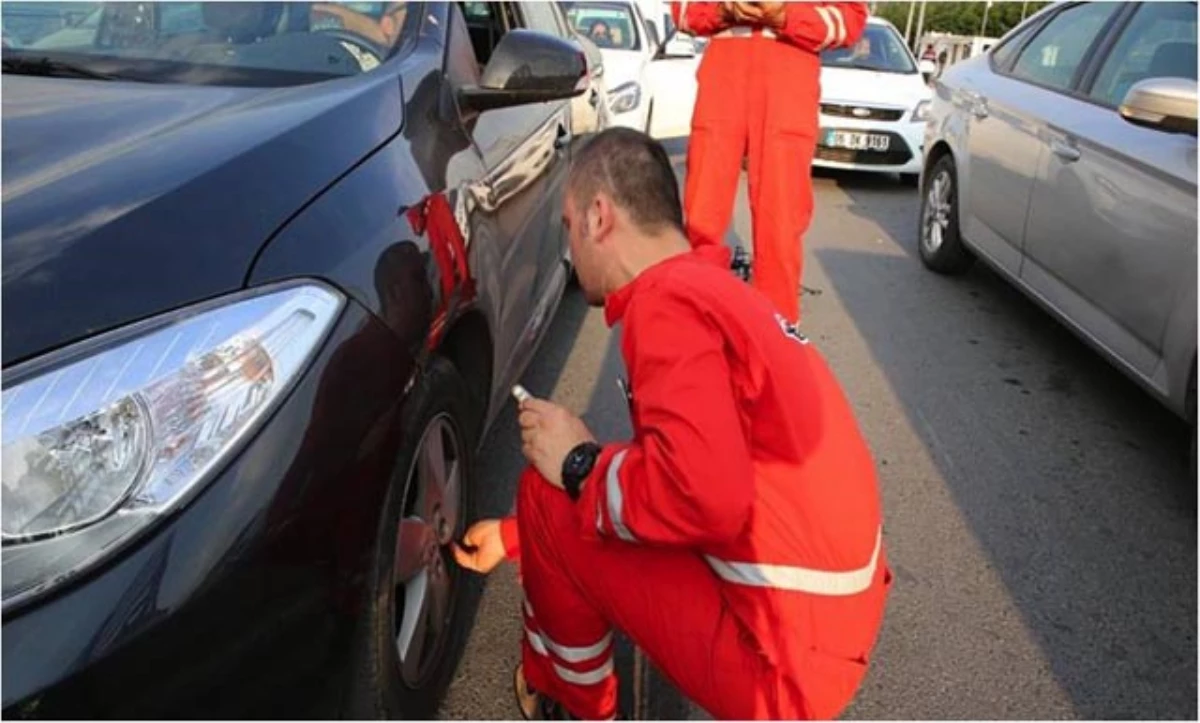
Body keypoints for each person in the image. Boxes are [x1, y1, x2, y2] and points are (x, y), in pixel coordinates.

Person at [454, 129, 890, 721]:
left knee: (546, 492)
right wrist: (514, 537)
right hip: (825, 622)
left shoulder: (665, 307)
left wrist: (578, 465)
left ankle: (572, 701)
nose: (568, 247)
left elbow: (703, 494)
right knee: (575, 489)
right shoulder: (714, 289)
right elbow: (683, 463)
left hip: (778, 658)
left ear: (599, 217)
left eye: (567, 223)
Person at [672, 1, 868, 325]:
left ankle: (777, 340)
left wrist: (787, 15)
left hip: (788, 87)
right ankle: (694, 328)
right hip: (723, 84)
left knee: (780, 222)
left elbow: (850, 21)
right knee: (701, 216)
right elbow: (682, 11)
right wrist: (722, 10)